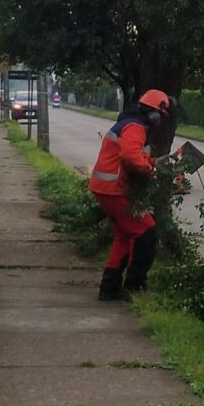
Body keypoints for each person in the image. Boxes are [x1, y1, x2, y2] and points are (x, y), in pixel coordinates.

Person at [89, 89, 171, 300]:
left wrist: (156, 162)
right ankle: (135, 286)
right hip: (114, 189)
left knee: (124, 236)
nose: (160, 121)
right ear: (153, 113)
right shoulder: (135, 127)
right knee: (146, 231)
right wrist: (150, 171)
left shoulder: (132, 124)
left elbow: (135, 156)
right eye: (160, 115)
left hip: (108, 188)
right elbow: (130, 157)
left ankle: (109, 288)